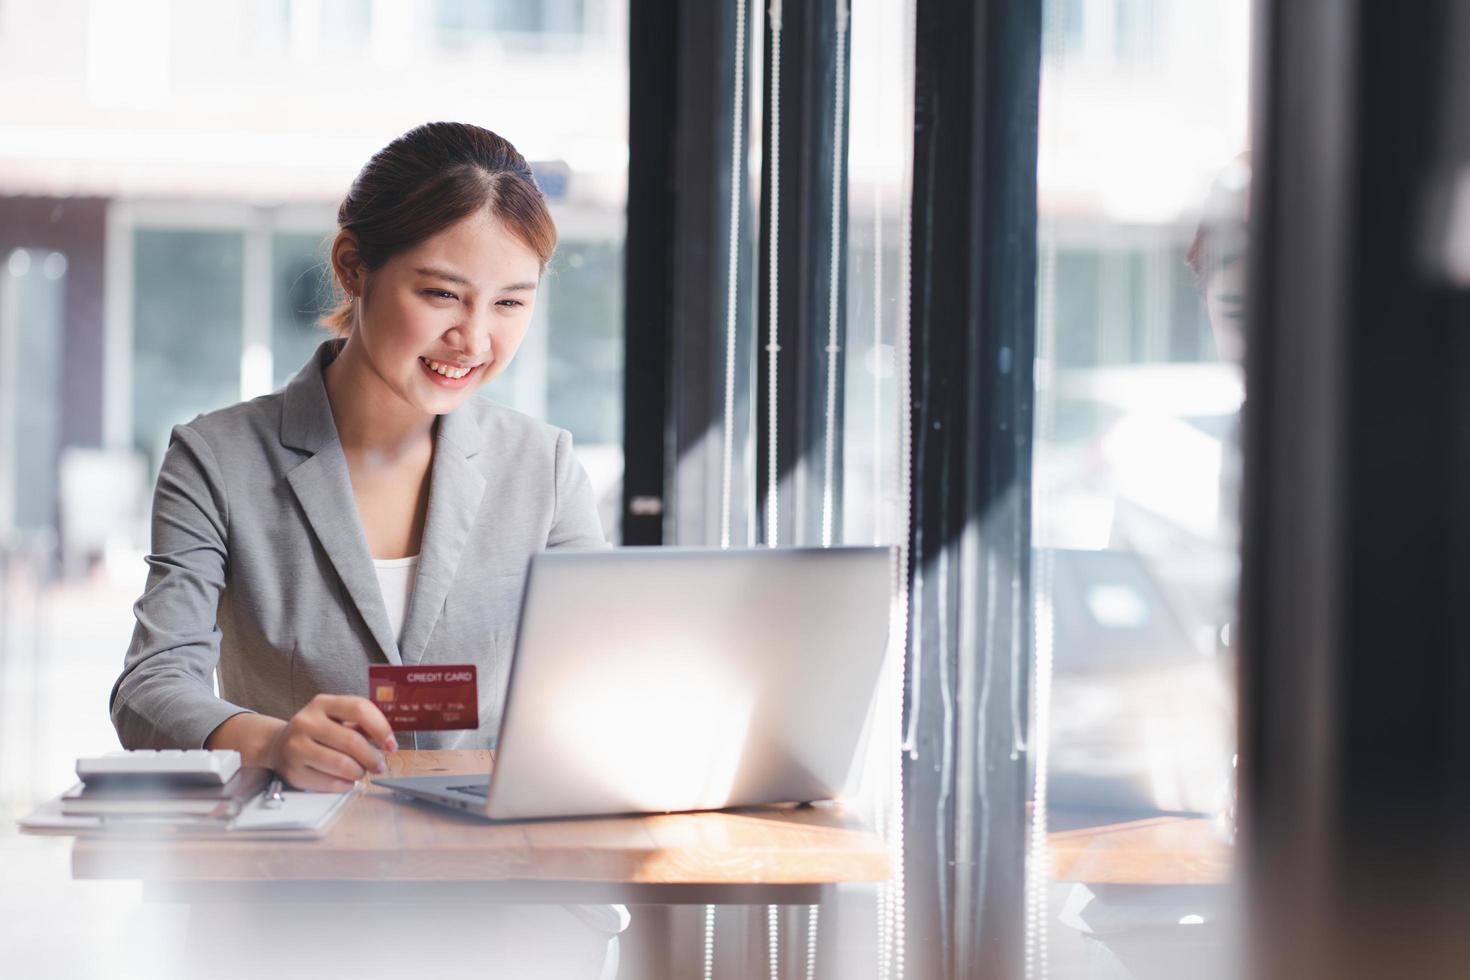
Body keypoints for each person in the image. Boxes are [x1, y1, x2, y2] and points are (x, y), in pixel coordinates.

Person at [108, 122, 620, 978]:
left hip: (506, 901)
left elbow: (605, 681)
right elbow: (148, 691)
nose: (474, 338)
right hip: (287, 902)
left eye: (510, 302)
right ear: (354, 268)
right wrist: (268, 741)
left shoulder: (547, 466)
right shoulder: (219, 457)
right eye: (442, 294)